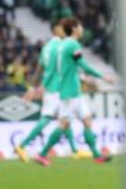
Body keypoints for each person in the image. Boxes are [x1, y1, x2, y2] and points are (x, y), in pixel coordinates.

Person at [34, 17, 114, 166]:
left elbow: (71, 67)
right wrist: (103, 77)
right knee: (64, 124)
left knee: (87, 120)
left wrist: (82, 78)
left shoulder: (63, 45)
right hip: (70, 92)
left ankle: (97, 155)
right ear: (75, 28)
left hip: (72, 90)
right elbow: (84, 65)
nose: (82, 29)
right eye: (80, 26)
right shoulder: (72, 44)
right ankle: (42, 154)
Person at [15, 20, 79, 161]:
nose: (65, 31)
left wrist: (33, 87)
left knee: (64, 118)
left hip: (51, 88)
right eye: (62, 29)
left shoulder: (46, 47)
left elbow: (39, 69)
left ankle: (75, 150)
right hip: (57, 88)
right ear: (56, 30)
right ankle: (22, 145)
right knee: (48, 119)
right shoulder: (61, 46)